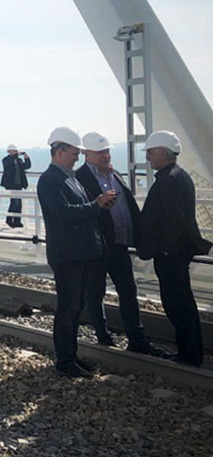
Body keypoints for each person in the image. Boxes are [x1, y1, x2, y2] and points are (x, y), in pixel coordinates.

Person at [37, 126, 116, 379]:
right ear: (59, 151)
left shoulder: (68, 177)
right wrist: (96, 205)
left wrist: (96, 205)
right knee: (69, 307)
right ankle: (65, 360)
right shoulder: (50, 180)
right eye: (74, 153)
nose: (77, 158)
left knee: (76, 305)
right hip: (68, 255)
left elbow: (76, 209)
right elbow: (65, 212)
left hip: (79, 253)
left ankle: (70, 356)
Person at [75, 132, 158, 354]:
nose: (106, 155)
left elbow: (129, 206)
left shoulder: (114, 175)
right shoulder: (80, 178)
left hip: (120, 245)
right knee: (96, 292)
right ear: (86, 154)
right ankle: (103, 337)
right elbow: (81, 213)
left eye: (107, 151)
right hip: (97, 247)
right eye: (100, 152)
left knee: (129, 290)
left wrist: (140, 237)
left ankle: (137, 340)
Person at [138, 130, 212, 367]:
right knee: (183, 302)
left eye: (150, 152)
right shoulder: (180, 176)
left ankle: (189, 356)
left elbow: (173, 219)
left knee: (176, 304)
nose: (148, 157)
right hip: (179, 252)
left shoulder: (168, 180)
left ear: (162, 151)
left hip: (172, 255)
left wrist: (165, 249)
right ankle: (191, 352)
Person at [0, 144, 31, 227]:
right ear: (9, 151)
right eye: (14, 151)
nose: (16, 153)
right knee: (14, 203)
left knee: (19, 204)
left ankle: (17, 221)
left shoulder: (19, 160)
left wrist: (26, 158)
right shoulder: (6, 160)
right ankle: (9, 220)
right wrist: (16, 156)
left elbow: (27, 166)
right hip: (11, 184)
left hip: (19, 184)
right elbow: (8, 164)